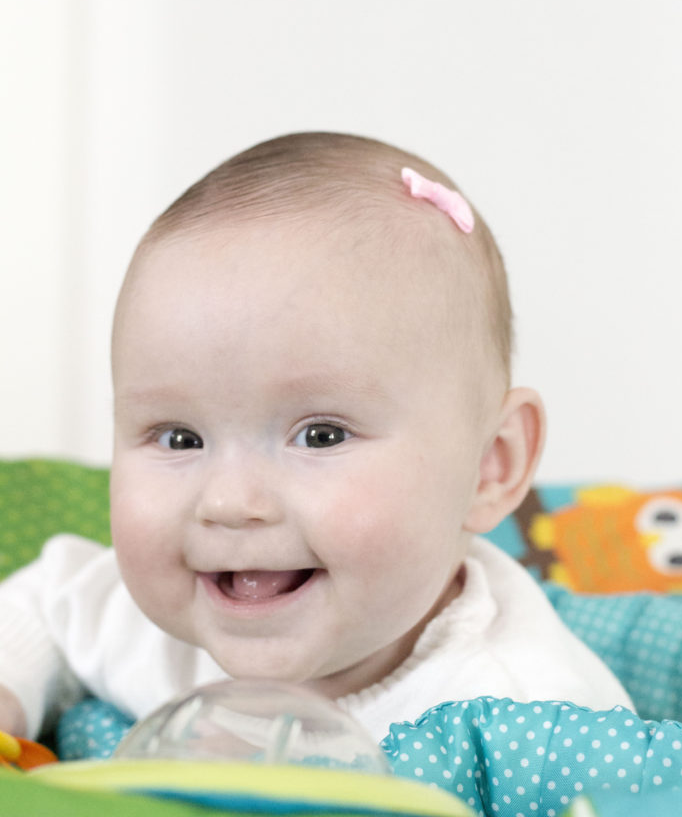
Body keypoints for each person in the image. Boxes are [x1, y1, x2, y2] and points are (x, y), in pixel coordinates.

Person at [0, 131, 632, 746]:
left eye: (321, 435)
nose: (227, 501)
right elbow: (43, 609)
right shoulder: (148, 623)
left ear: (490, 466)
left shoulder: (529, 718)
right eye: (179, 438)